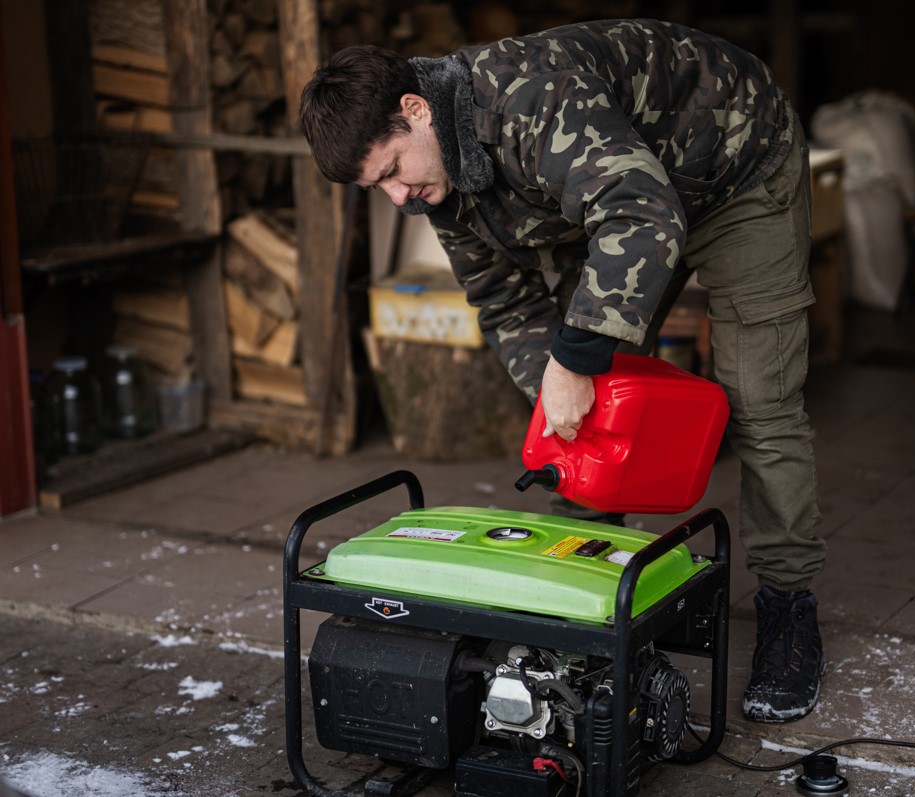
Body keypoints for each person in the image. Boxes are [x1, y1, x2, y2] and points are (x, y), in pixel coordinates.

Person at [299, 18, 826, 723]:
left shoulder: (524, 100)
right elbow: (501, 297)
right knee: (584, 391)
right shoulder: (439, 177)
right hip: (636, 193)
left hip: (736, 168)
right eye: (378, 188)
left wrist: (574, 361)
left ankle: (788, 611)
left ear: (415, 111)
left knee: (758, 400)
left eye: (392, 170)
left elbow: (642, 214)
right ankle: (576, 590)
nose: (396, 196)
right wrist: (561, 400)